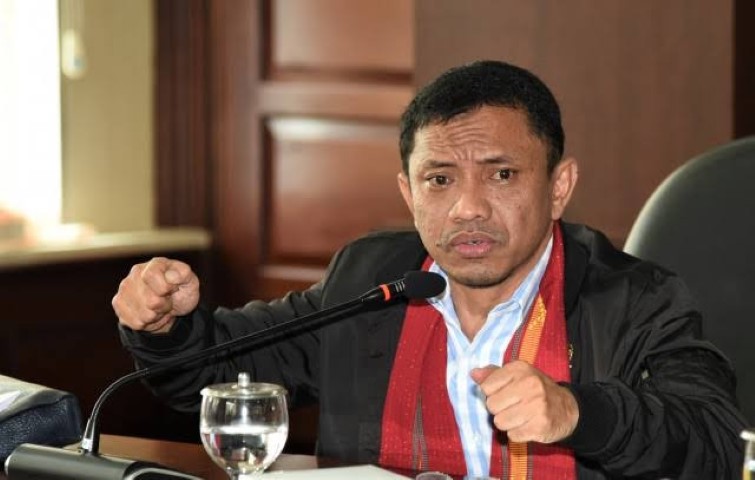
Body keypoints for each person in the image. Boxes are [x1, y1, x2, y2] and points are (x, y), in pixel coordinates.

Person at [114, 60, 746, 479]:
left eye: (502, 174)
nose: (468, 208)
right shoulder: (372, 279)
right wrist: (167, 329)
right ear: (408, 193)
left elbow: (718, 445)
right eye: (439, 180)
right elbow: (219, 373)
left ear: (559, 187)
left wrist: (577, 412)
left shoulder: (636, 299)